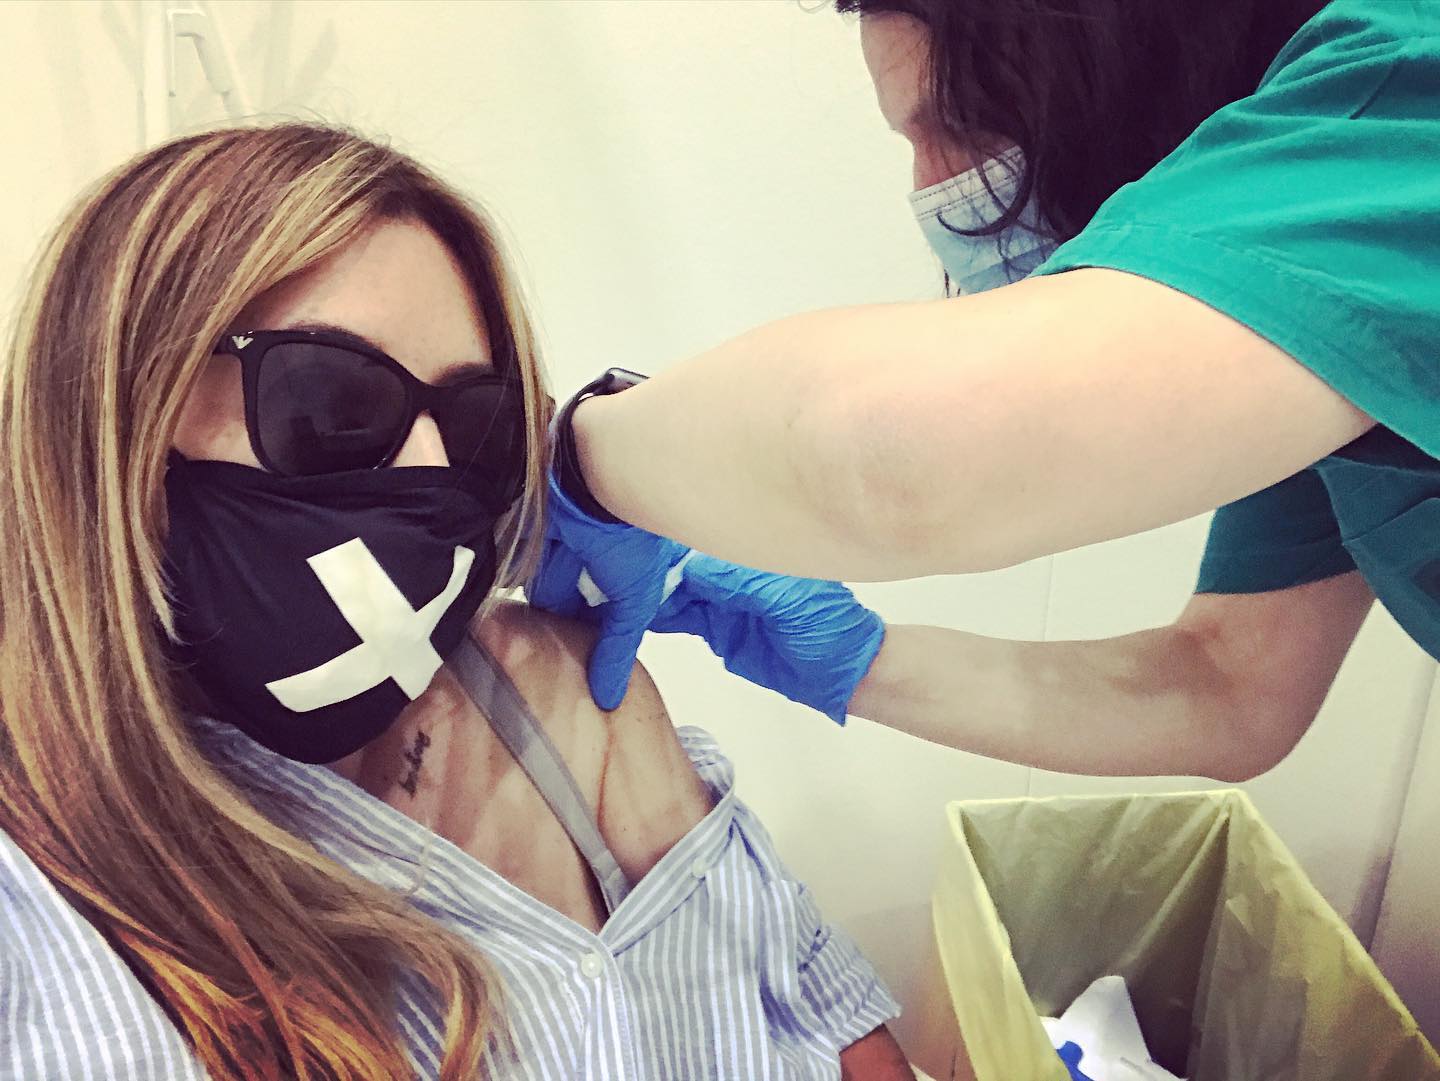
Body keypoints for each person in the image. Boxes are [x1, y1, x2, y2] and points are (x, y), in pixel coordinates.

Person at [0, 122, 913, 1080]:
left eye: (478, 424)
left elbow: (823, 1015)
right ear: (119, 414)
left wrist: (877, 665)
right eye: (333, 403)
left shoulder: (553, 691)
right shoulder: (39, 914)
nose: (433, 475)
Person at [529, 0, 1440, 784]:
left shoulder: (1398, 107)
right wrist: (856, 659)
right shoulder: (1308, 325)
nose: (933, 189)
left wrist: (575, 459)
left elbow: (896, 458)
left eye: (959, 123)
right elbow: (1233, 690)